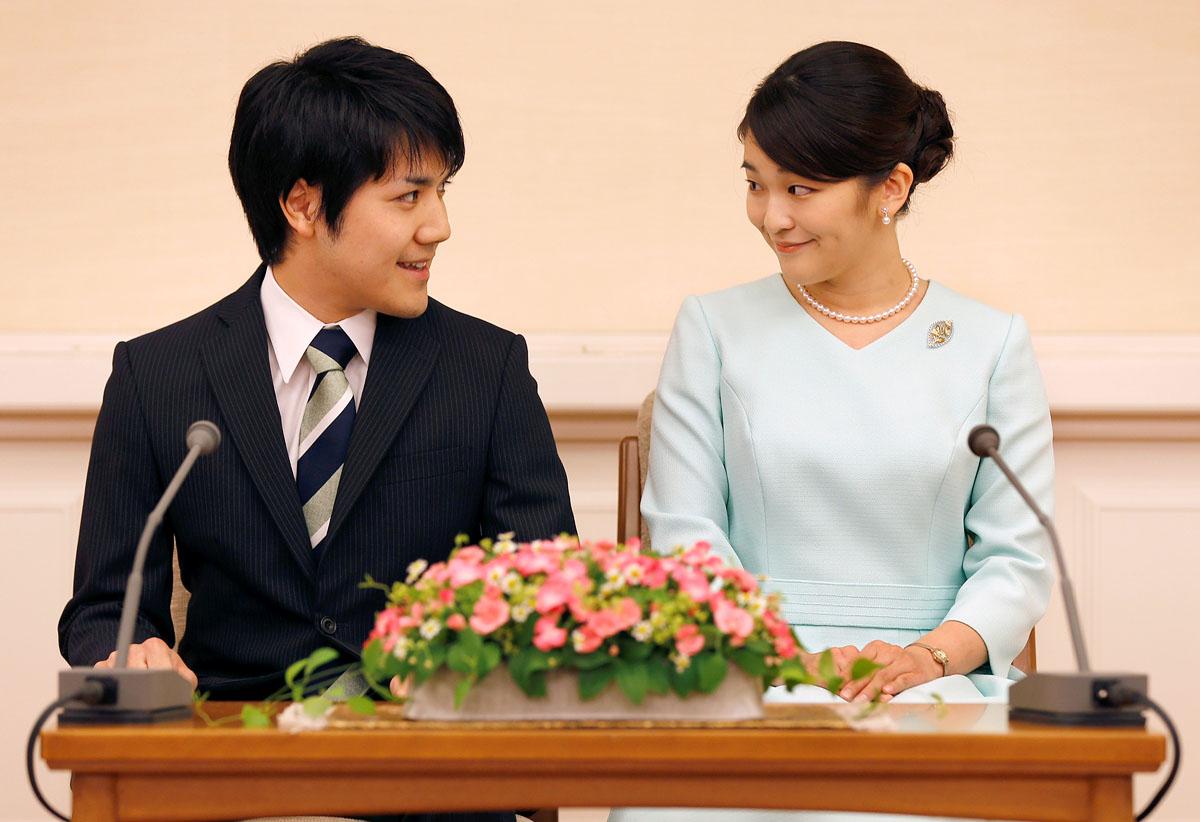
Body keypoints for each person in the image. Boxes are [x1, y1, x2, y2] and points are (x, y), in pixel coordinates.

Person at [59, 34, 573, 743]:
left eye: (441, 192)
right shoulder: (157, 376)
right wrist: (130, 651)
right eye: (408, 196)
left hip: (427, 750)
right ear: (302, 207)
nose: (440, 227)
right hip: (231, 750)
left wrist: (475, 663)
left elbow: (549, 590)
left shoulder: (487, 369)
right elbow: (102, 609)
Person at [612, 41, 1054, 821]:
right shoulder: (713, 328)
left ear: (891, 188)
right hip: (746, 674)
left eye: (800, 189)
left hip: (937, 681)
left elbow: (1017, 559)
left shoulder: (991, 343)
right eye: (755, 184)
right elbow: (684, 536)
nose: (771, 216)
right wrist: (789, 659)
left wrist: (929, 655)